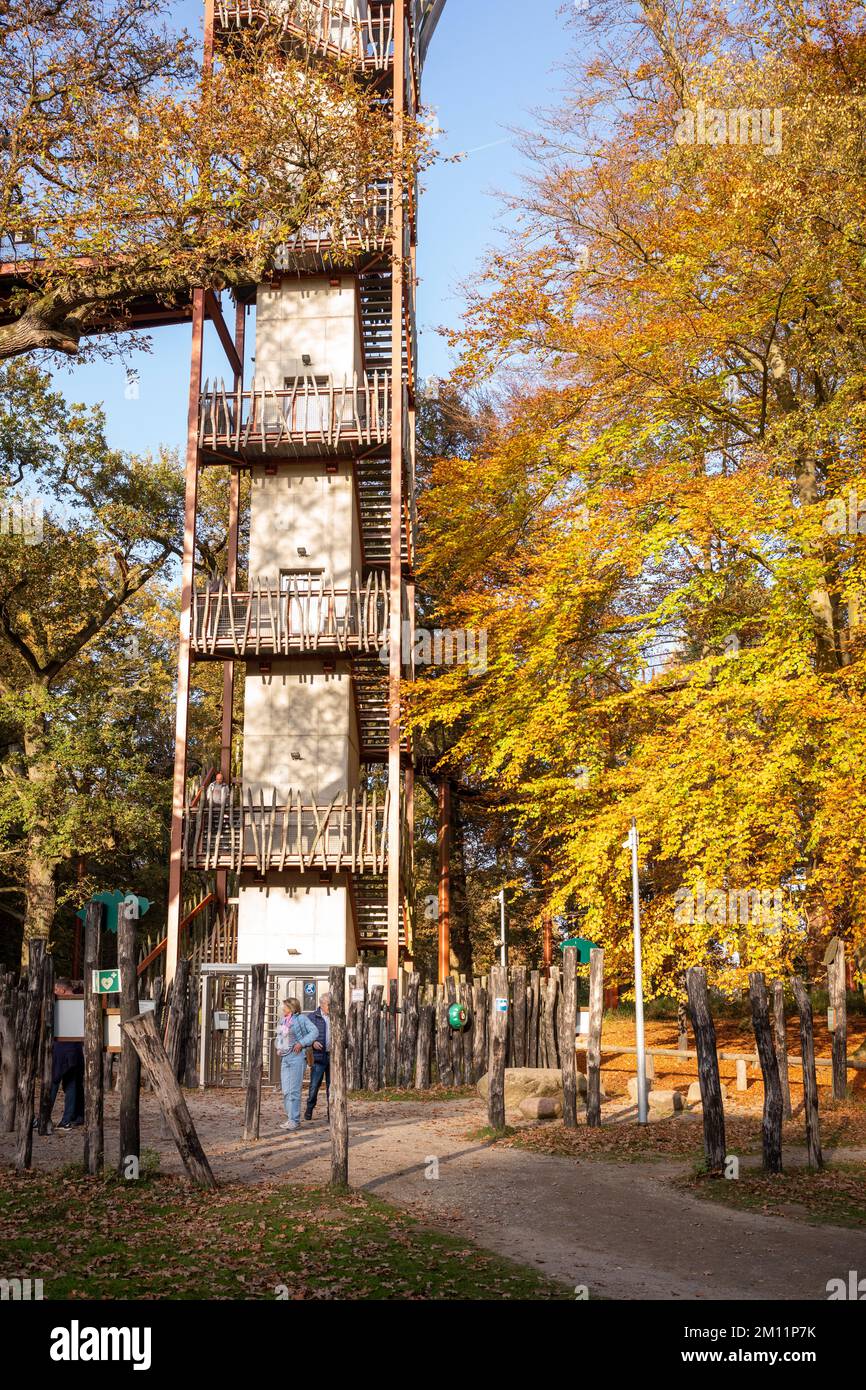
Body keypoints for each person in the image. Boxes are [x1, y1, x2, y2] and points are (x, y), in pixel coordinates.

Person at [275, 998, 318, 1131]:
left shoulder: (301, 1019)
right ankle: (290, 1119)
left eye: (285, 1006)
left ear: (292, 1007)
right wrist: (279, 1047)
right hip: (285, 1058)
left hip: (298, 1057)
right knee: (286, 1091)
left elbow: (314, 1031)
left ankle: (294, 1120)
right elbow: (280, 1037)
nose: (283, 1008)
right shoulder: (282, 1020)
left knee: (294, 1090)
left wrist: (302, 1043)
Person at [304, 992, 331, 1122]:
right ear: (322, 1004)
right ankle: (309, 1108)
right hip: (318, 1057)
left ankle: (332, 1112)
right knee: (314, 1085)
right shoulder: (312, 1017)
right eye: (329, 1005)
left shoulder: (336, 1017)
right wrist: (312, 1042)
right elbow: (304, 1035)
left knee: (332, 1087)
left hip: (333, 1057)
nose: (331, 1007)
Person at [50, 1039, 85, 1132]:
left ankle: (45, 1118)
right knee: (71, 1085)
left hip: (61, 1049)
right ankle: (67, 1120)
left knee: (53, 1083)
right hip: (75, 1050)